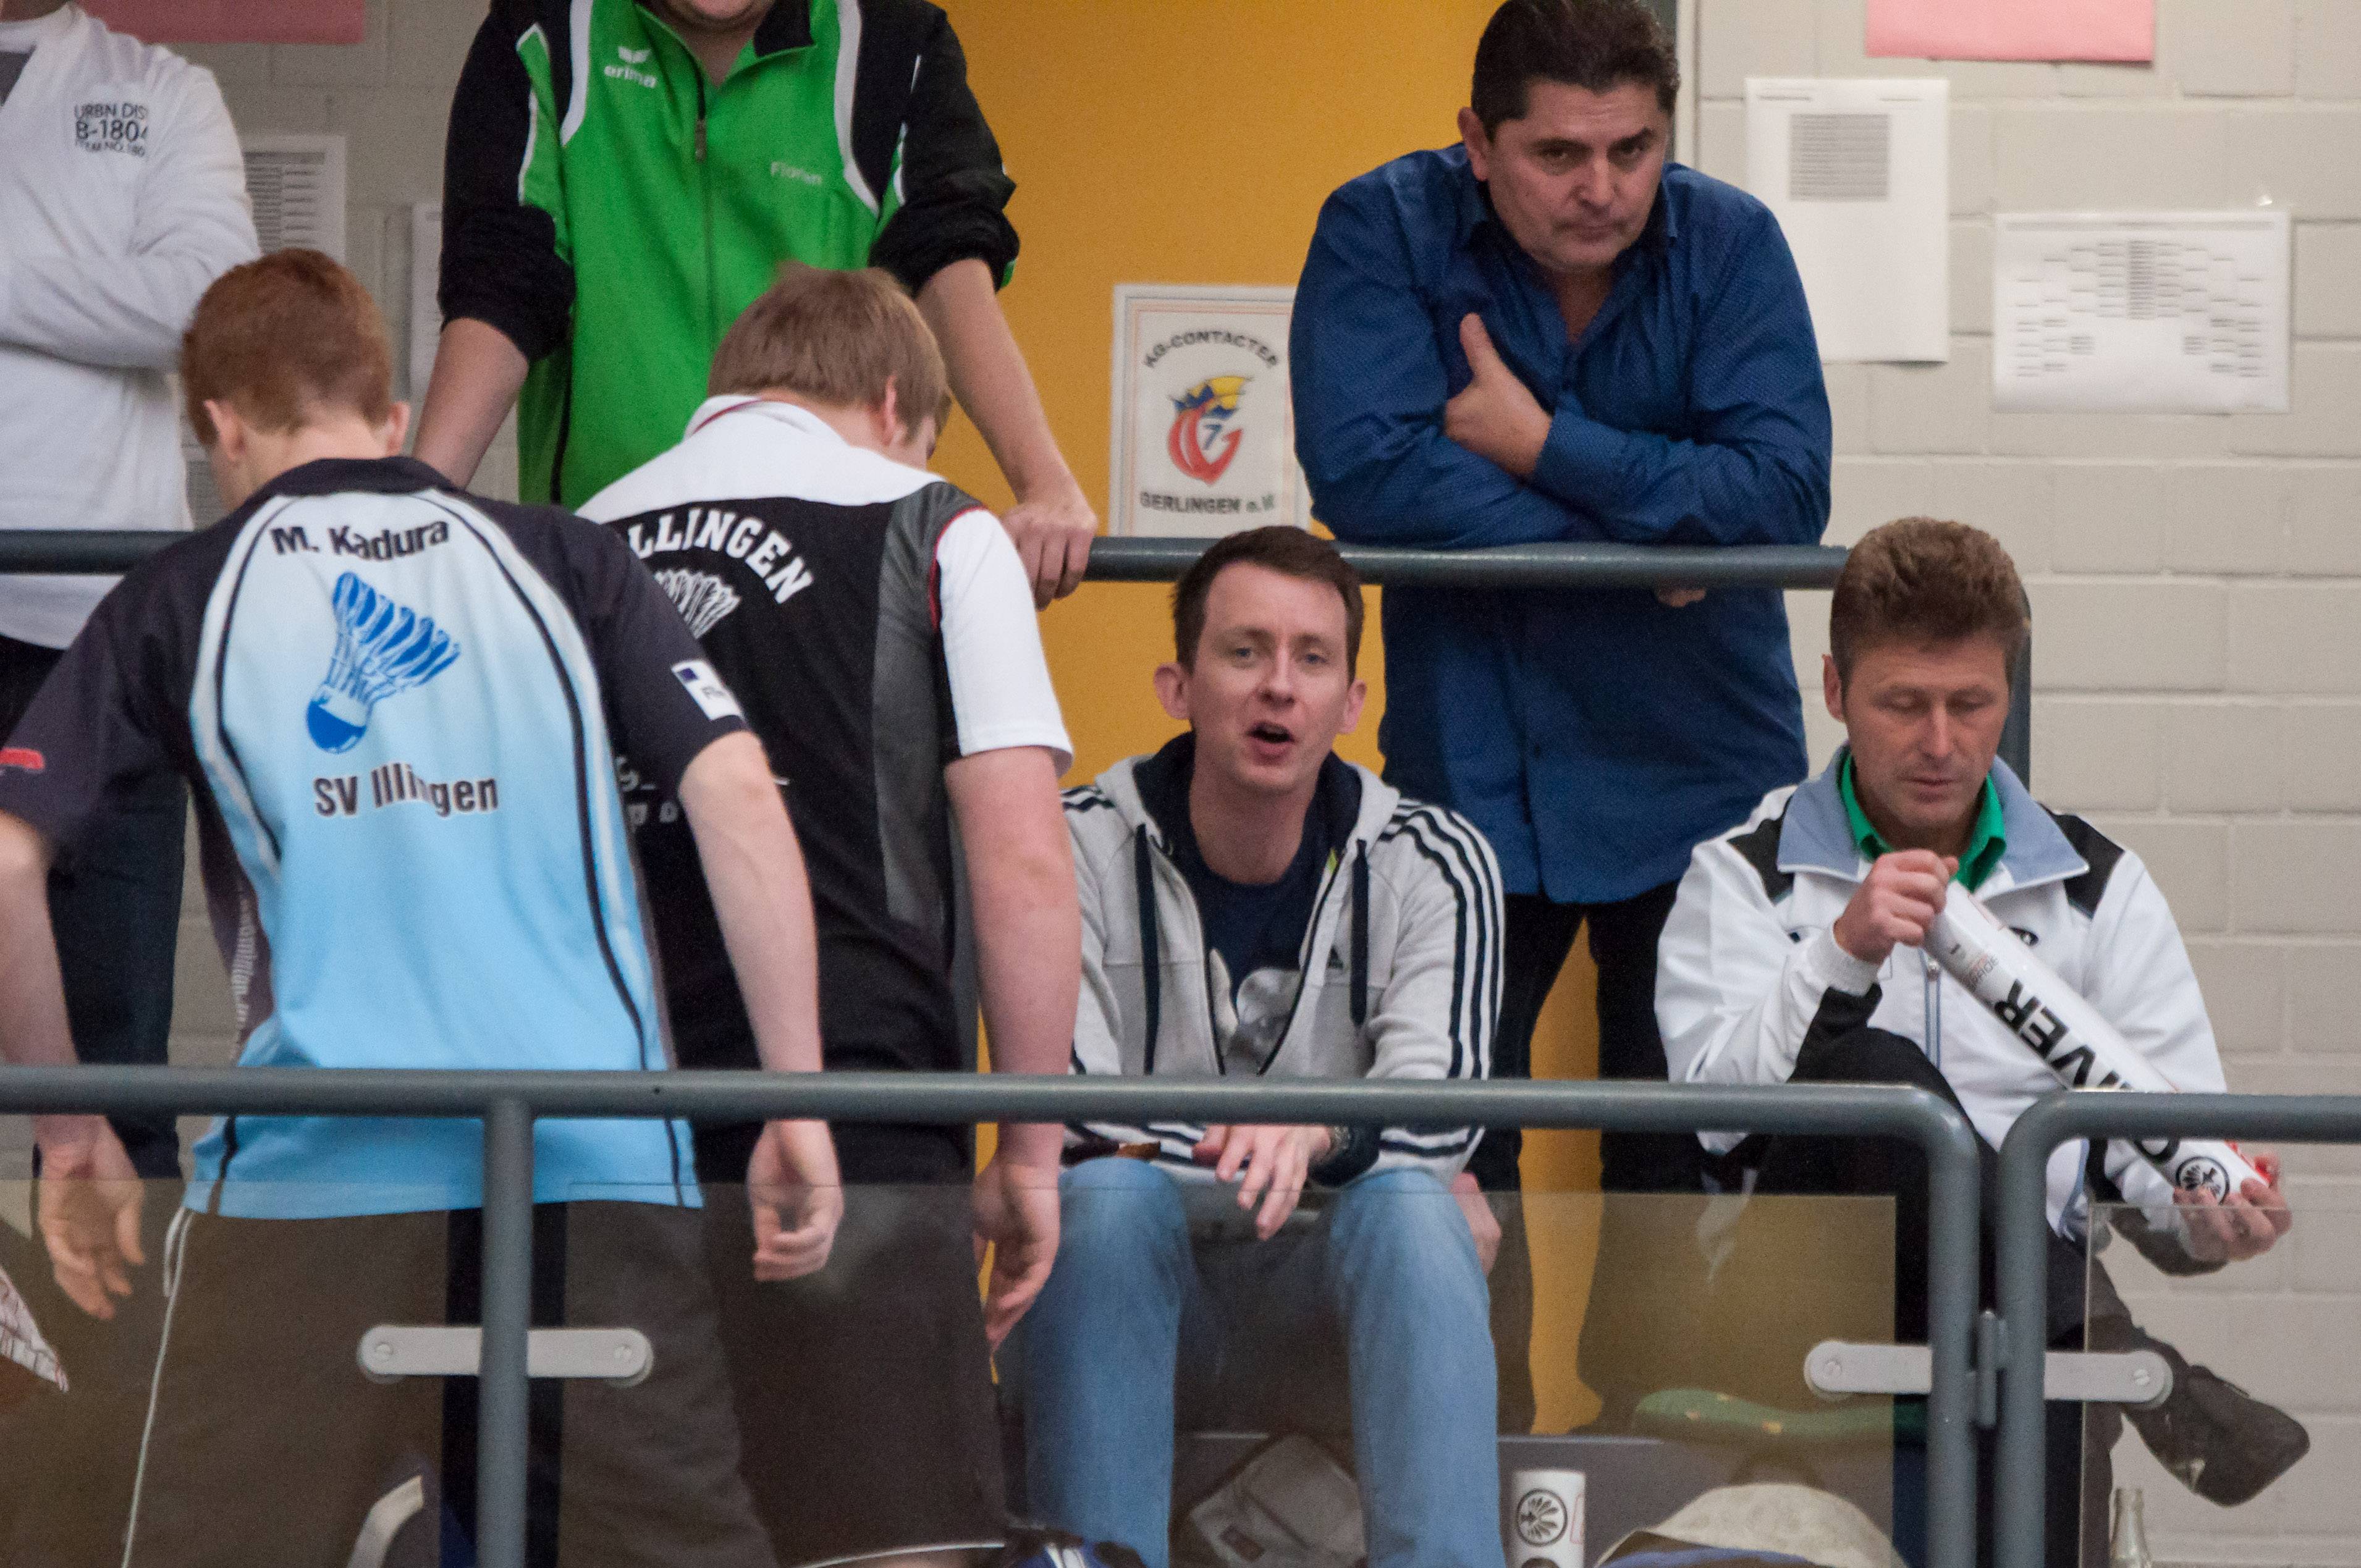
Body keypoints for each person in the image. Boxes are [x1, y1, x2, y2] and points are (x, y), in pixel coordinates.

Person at [0, 250, 840, 1567]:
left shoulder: (184, 591)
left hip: (316, 1173)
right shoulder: (565, 556)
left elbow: (7, 859)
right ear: (393, 418)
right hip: (590, 1158)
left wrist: (66, 1133)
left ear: (218, 426)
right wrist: (797, 1097)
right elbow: (736, 791)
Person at [1289, 0, 1831, 1425]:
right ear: (1475, 141)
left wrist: (1541, 445)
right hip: (1474, 769)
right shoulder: (1379, 229)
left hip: (1698, 769)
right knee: (1448, 1139)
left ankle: (1654, 1465)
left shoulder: (1731, 244)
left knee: (1680, 1142)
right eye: (1556, 155)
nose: (1600, 187)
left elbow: (1780, 493)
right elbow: (1367, 477)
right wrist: (1649, 537)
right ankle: (1473, 1458)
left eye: (1631, 149)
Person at [1655, 516, 2292, 1567]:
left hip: (2022, 1337)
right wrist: (1842, 950)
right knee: (1883, 1088)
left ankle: (2087, 1335)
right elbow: (1718, 1121)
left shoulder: (2096, 887)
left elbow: (2160, 1148)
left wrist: (2207, 1211)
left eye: (1972, 703)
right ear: (1834, 689)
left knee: (2033, 1350)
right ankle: (2124, 1353)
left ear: (2010, 691)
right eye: (1904, 704)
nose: (1942, 743)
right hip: (1794, 1302)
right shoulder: (1742, 873)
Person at [578, 263, 1078, 1567]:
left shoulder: (577, 538)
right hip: (862, 1117)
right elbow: (1023, 861)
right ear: (895, 402)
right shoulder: (936, 526)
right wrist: (1028, 1154)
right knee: (888, 1546)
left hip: (607, 1132)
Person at [1015, 526, 1505, 1568]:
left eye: (1311, 658)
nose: (1279, 685)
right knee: (1104, 1201)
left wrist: (1317, 1129)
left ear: (1352, 702)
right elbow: (1067, 1106)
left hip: (1334, 1309)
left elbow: (1441, 1108)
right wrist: (1300, 1137)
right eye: (1244, 652)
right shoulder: (1069, 841)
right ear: (1178, 686)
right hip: (1134, 1295)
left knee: (1415, 1212)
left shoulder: (1439, 859)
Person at [422, 0, 1097, 605]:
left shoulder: (892, 40)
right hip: (607, 570)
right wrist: (417, 503)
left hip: (830, 582)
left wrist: (1045, 484)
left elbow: (947, 263)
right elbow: (502, 283)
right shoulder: (544, 28)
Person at [0, 0, 257, 1179]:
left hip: (94, 636)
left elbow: (206, 303)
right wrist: (90, 290)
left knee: (116, 1074)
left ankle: (112, 1308)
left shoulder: (161, 88)